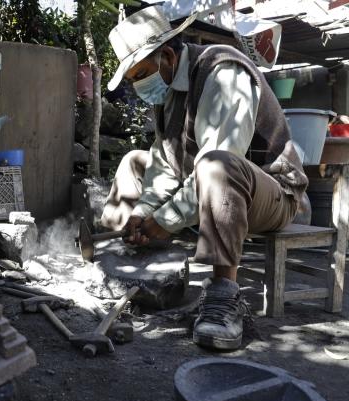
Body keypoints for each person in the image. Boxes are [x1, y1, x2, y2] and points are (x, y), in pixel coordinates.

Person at [102, 6, 308, 350]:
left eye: (139, 74)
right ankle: (138, 256)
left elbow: (222, 159)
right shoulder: (167, 92)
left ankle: (224, 297)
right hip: (213, 189)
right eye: (132, 79)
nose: (138, 86)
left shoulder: (223, 70)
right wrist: (144, 213)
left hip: (274, 194)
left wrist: (166, 219)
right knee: (134, 161)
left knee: (216, 164)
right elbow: (165, 165)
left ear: (167, 56)